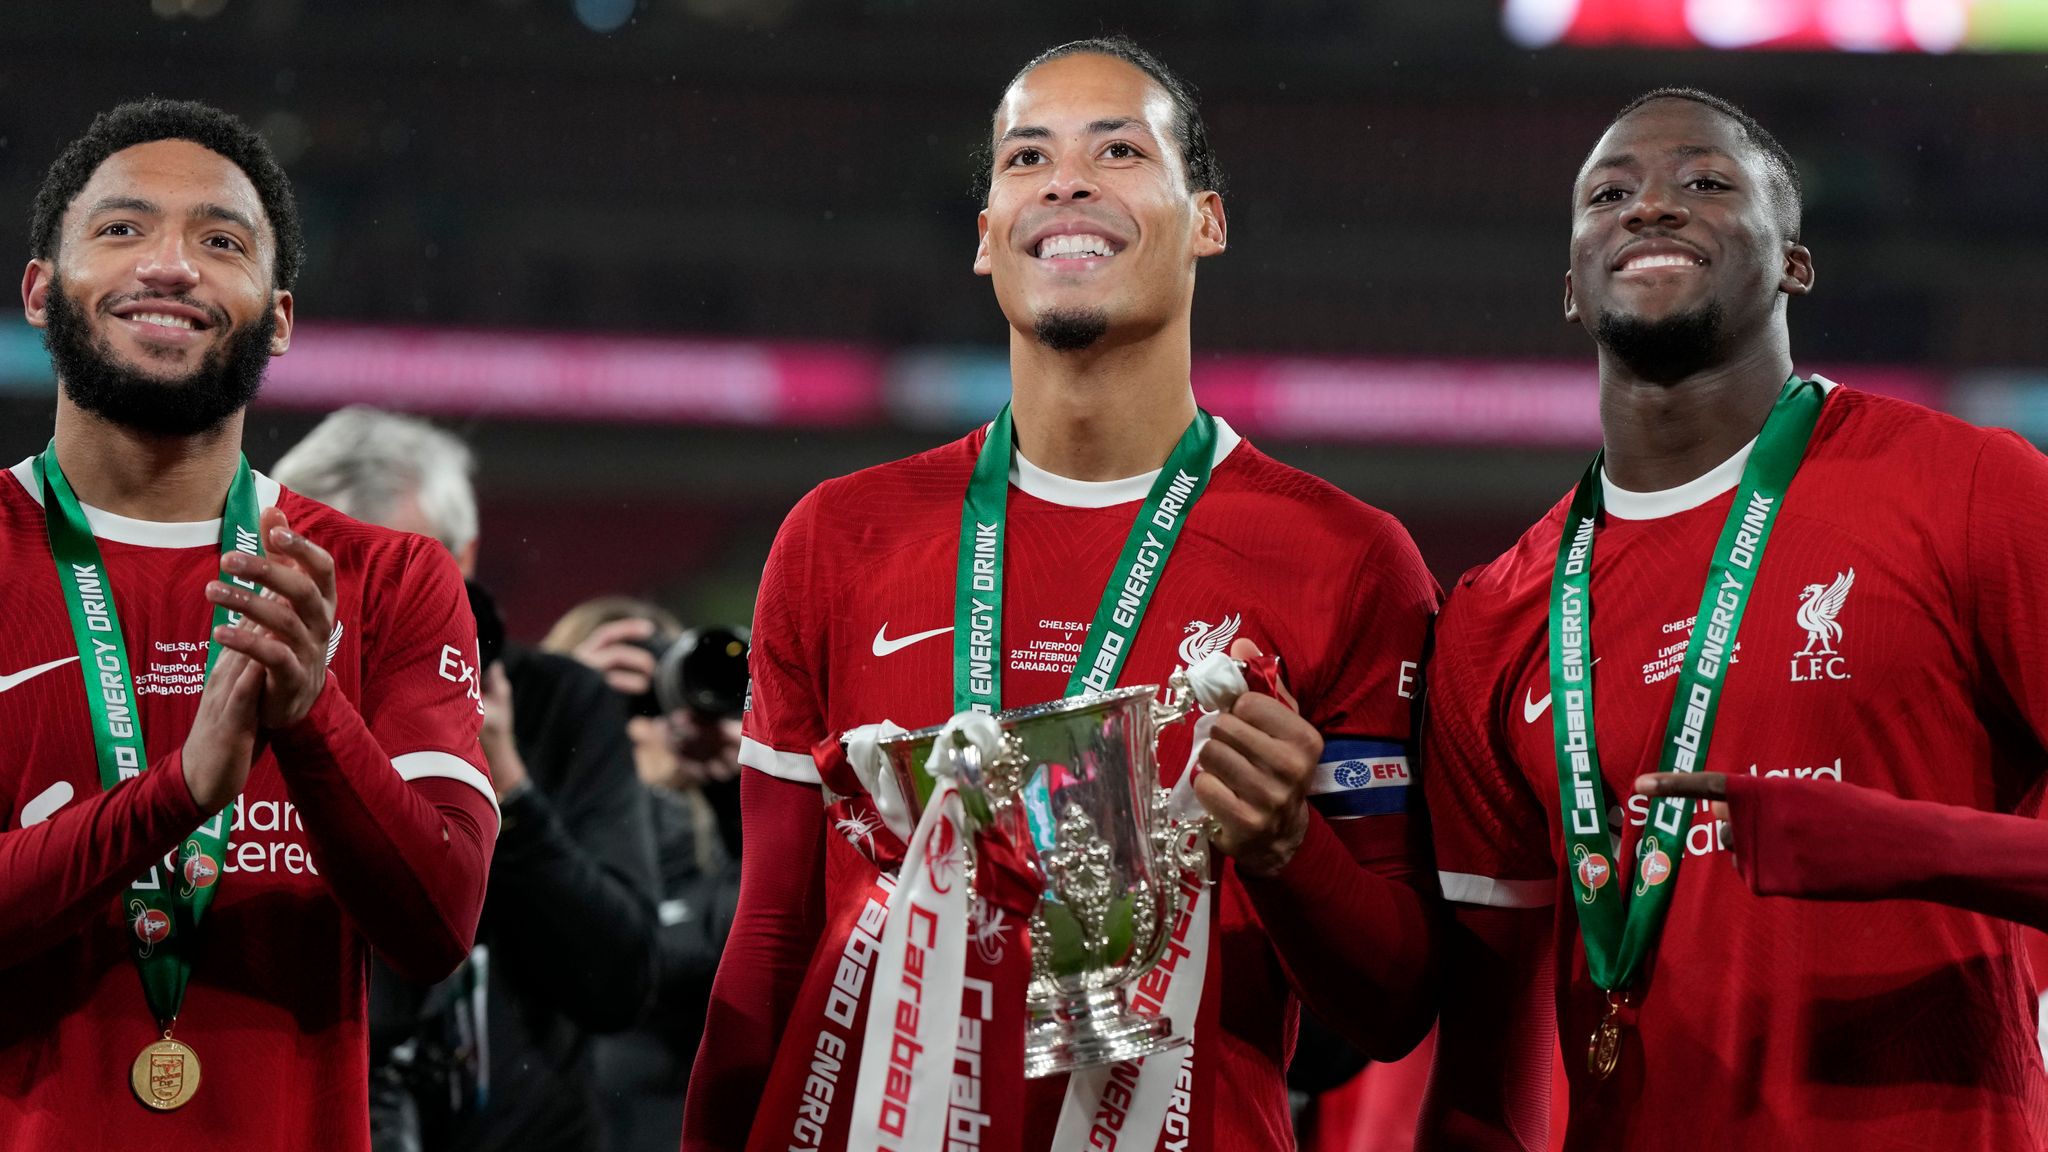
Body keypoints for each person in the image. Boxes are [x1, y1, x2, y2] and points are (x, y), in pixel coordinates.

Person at [683, 37, 1440, 1152]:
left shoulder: (1348, 558)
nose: (1065, 180)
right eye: (1025, 155)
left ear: (1208, 223)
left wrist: (1287, 851)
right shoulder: (836, 537)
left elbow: (1391, 1003)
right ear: (987, 237)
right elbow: (771, 940)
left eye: (1119, 150)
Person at [1421, 89, 2048, 1150]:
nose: (1650, 208)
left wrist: (1891, 841)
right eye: (1609, 194)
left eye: (1704, 185)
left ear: (1794, 263)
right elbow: (1490, 1050)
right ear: (1569, 287)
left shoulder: (1973, 488)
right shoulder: (1493, 613)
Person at [0, 100, 496, 1150]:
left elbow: (439, 923)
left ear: (277, 318)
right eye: (122, 229)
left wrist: (312, 717)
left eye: (220, 241)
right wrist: (177, 795)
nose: (171, 266)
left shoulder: (387, 577)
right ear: (41, 292)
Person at [271, 407, 661, 1152]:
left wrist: (506, 783)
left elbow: (620, 981)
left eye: (398, 566)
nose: (365, 604)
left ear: (467, 559)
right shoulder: (253, 701)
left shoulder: (558, 705)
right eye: (335, 565)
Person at [540, 597, 743, 1152]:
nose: (637, 730)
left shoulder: (728, 850)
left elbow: (765, 960)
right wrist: (556, 722)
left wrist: (741, 795)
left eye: (657, 702)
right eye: (615, 708)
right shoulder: (517, 832)